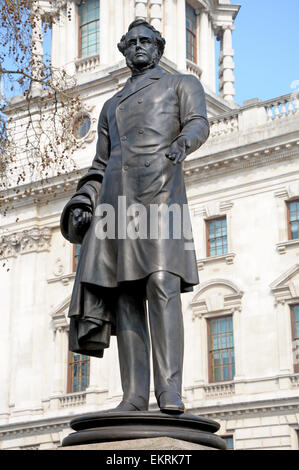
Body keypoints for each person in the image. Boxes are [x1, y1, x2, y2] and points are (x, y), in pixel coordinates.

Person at [60, 19, 209, 413]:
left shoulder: (182, 85)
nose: (139, 47)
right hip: (116, 202)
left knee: (162, 283)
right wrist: (83, 203)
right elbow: (100, 163)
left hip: (162, 197)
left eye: (147, 41)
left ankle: (170, 390)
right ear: (124, 51)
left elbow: (198, 122)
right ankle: (134, 396)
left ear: (158, 48)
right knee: (126, 295)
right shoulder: (111, 106)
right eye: (132, 42)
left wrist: (183, 144)